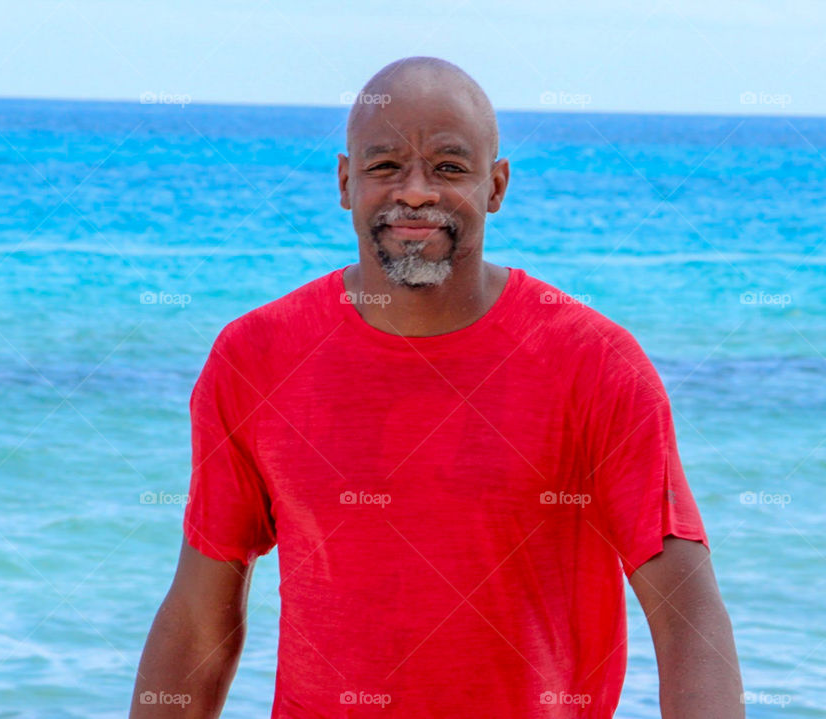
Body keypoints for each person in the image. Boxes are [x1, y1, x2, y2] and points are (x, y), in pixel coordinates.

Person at [130, 56, 744, 718]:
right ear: (345, 181)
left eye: (449, 167)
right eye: (385, 165)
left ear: (497, 185)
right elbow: (199, 618)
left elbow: (688, 619)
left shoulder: (595, 364)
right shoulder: (254, 357)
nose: (415, 191)